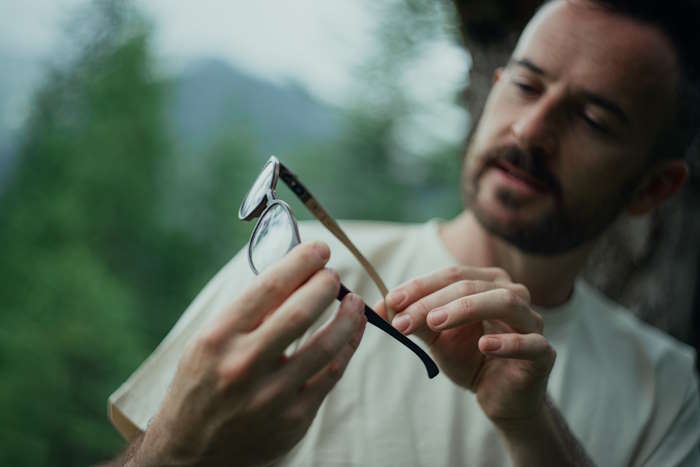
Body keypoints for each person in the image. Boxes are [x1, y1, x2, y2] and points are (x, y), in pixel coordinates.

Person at [104, 1, 700, 465]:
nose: (530, 129)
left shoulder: (672, 391)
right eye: (525, 84)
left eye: (593, 119)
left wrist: (531, 424)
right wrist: (174, 449)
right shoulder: (293, 265)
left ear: (654, 188)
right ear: (491, 91)